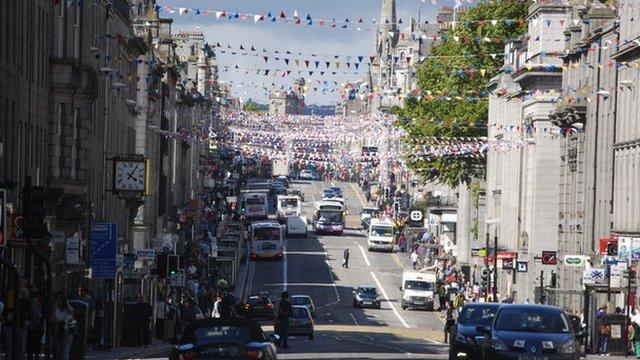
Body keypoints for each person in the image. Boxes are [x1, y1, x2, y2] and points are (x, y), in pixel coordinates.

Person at [53, 296, 76, 360]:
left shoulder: (68, 310)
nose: (57, 302)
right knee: (57, 351)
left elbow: (72, 318)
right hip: (58, 331)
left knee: (65, 352)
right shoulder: (55, 308)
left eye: (59, 301)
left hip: (67, 332)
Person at [26, 290, 44, 360]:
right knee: (30, 343)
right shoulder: (30, 305)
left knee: (36, 342)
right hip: (31, 327)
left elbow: (39, 315)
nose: (33, 299)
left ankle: (36, 355)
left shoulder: (38, 305)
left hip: (36, 327)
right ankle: (30, 355)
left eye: (35, 297)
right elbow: (38, 314)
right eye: (32, 297)